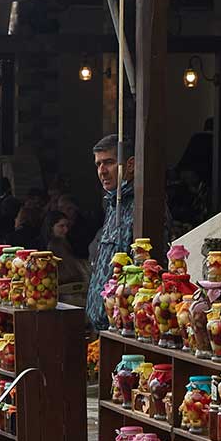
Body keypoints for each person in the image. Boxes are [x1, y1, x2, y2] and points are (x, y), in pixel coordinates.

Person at [86, 134, 138, 331]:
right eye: (98, 165)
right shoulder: (113, 204)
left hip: (123, 327)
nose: (102, 171)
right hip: (100, 326)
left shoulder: (140, 207)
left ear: (130, 165)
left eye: (108, 163)